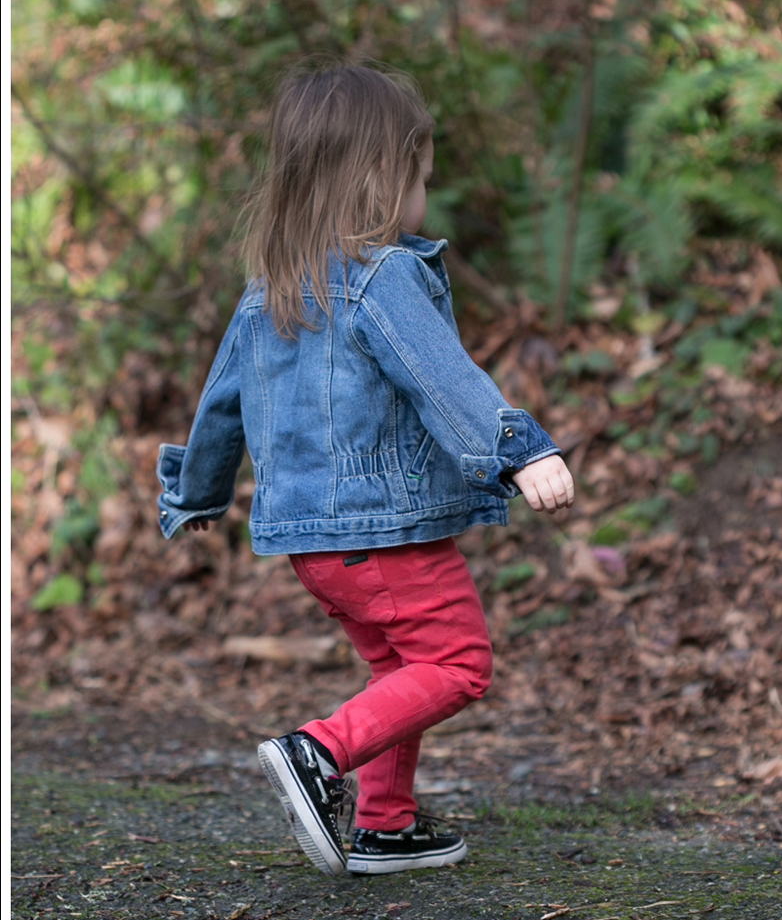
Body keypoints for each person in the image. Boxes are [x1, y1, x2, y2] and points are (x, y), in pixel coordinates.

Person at [157, 63, 574, 877]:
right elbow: (445, 377)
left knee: (398, 666)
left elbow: (218, 409)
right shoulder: (385, 280)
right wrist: (523, 448)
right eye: (420, 177)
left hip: (313, 548)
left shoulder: (268, 290)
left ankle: (386, 822)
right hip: (386, 533)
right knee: (457, 662)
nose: (425, 196)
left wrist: (196, 493)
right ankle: (318, 752)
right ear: (383, 181)